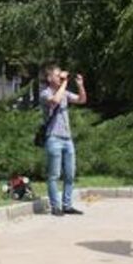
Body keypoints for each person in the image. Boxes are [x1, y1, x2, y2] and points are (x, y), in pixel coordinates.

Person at [40, 63, 88, 216]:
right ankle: (56, 206)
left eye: (61, 74)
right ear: (49, 78)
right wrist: (65, 82)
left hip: (68, 139)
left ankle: (67, 205)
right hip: (53, 138)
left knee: (70, 174)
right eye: (57, 74)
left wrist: (80, 86)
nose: (61, 76)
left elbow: (82, 100)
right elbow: (54, 101)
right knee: (54, 175)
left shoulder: (65, 93)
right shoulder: (45, 93)